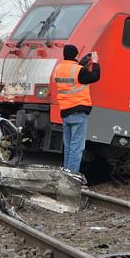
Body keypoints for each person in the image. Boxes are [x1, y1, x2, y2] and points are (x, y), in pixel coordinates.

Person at [51, 44, 101, 174]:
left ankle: (66, 173)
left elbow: (73, 78)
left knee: (68, 146)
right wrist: (95, 62)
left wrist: (82, 64)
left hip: (65, 112)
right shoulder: (79, 70)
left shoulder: (58, 69)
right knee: (77, 147)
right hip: (78, 111)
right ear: (75, 54)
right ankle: (71, 176)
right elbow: (95, 76)